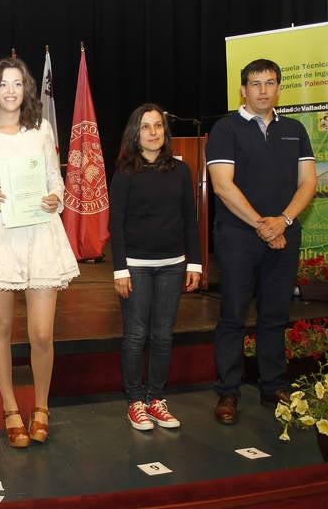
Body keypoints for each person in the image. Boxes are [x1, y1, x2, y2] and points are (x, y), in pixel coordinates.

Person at [0, 57, 79, 448]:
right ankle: (10, 407)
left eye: (17, 84)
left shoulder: (41, 129)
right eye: (3, 84)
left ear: (26, 89)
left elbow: (55, 180)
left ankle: (41, 407)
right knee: (1, 328)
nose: (10, 91)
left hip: (40, 233)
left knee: (42, 333)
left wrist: (54, 199)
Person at [206, 58, 316, 424]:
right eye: (256, 84)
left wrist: (282, 222)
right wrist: (262, 225)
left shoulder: (295, 129)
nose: (263, 90)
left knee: (274, 315)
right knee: (233, 316)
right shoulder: (226, 129)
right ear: (243, 89)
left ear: (278, 87)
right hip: (239, 236)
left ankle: (274, 386)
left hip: (284, 235)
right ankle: (228, 392)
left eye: (270, 83)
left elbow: (309, 183)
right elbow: (223, 185)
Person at [108, 103, 201, 432]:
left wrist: (196, 262)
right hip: (136, 267)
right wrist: (120, 269)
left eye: (158, 126)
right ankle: (135, 401)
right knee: (136, 336)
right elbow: (115, 225)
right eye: (146, 127)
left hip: (173, 266)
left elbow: (190, 219)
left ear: (165, 131)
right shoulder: (125, 173)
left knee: (162, 336)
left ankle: (156, 399)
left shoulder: (180, 170)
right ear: (135, 133)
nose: (153, 132)